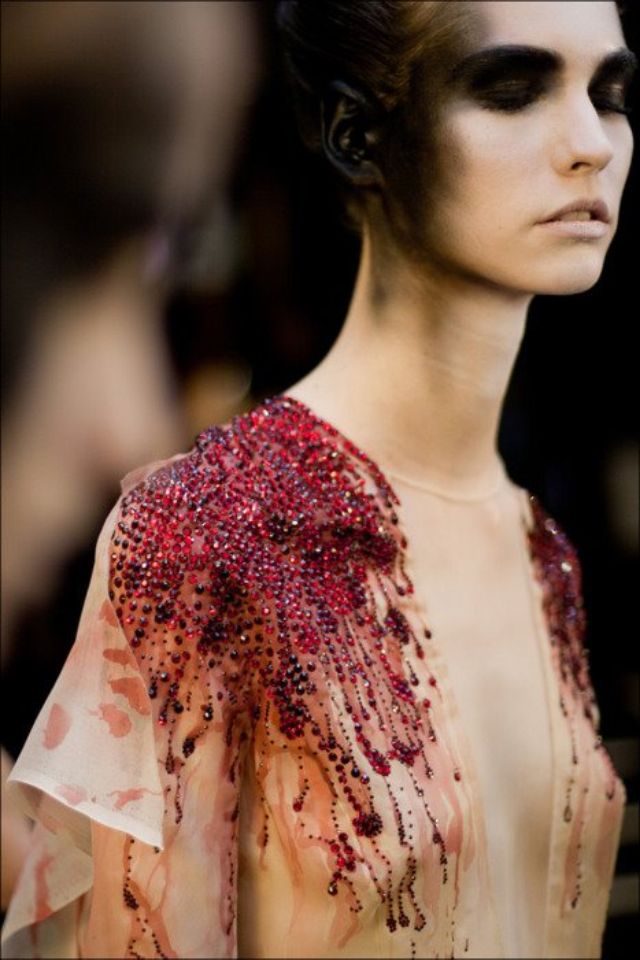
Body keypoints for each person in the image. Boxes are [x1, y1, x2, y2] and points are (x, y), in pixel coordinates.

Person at [1, 1, 634, 957]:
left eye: (610, 93)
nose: (590, 143)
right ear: (356, 132)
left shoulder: (543, 550)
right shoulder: (207, 530)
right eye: (511, 90)